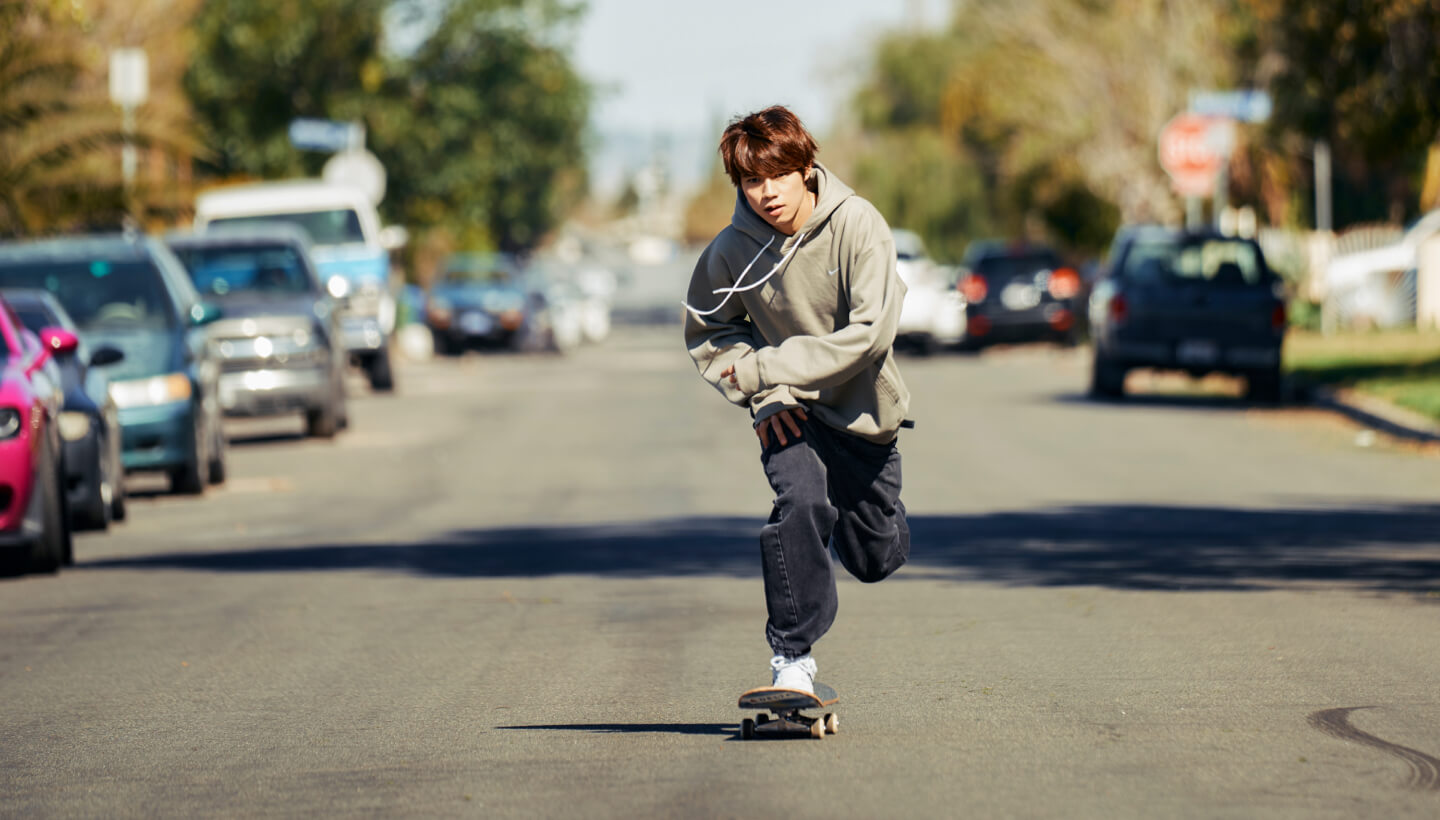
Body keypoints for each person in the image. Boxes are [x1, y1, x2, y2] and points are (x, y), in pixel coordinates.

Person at [682, 105, 912, 694]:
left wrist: (765, 365)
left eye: (777, 175)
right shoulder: (731, 250)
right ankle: (792, 660)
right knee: (801, 504)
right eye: (751, 181)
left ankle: (866, 524)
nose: (766, 193)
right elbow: (711, 331)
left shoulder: (859, 225)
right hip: (787, 409)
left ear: (805, 167)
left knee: (874, 559)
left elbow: (868, 335)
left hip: (863, 414)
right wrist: (764, 391)